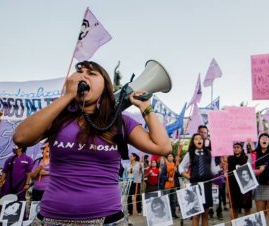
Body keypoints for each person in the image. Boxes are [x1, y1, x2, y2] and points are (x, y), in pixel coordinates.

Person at [13, 61, 171, 225]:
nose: (83, 76)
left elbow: (163, 147)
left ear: (105, 87)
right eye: (80, 72)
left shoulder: (120, 122)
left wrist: (146, 108)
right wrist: (68, 96)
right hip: (51, 218)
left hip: (108, 220)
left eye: (92, 74)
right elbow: (21, 137)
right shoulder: (57, 118)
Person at [179, 133, 221, 226]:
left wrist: (221, 166)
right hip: (195, 186)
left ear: (203, 141)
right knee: (196, 215)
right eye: (196, 139)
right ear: (193, 142)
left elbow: (214, 171)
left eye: (200, 138)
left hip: (207, 185)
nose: (199, 140)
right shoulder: (189, 154)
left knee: (205, 214)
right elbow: (181, 167)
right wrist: (188, 176)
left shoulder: (209, 153)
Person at [249, 133, 269, 226]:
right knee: (260, 214)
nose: (264, 139)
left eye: (266, 138)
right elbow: (248, 170)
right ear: (259, 141)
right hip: (260, 185)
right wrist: (258, 171)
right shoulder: (254, 154)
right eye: (262, 138)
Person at [227, 142, 253, 219]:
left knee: (247, 208)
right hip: (233, 186)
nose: (236, 149)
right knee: (234, 208)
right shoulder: (229, 158)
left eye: (238, 147)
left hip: (245, 186)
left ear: (242, 149)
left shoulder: (247, 157)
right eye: (234, 147)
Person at [159, 152, 179, 218]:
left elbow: (179, 175)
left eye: (171, 156)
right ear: (167, 158)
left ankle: (173, 214)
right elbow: (161, 176)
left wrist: (177, 171)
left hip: (174, 185)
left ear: (173, 158)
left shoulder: (176, 165)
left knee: (173, 200)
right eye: (169, 156)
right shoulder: (165, 166)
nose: (170, 157)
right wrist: (168, 178)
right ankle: (167, 214)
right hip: (166, 186)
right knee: (166, 200)